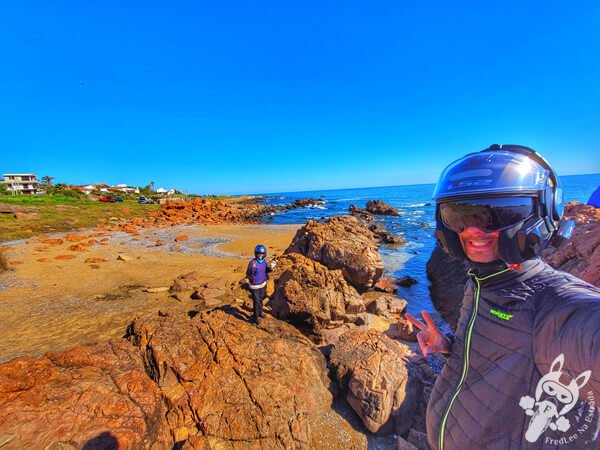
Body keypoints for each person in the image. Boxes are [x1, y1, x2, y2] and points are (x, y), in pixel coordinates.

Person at [406, 144, 600, 449]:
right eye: (458, 215)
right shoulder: (484, 281)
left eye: (498, 215)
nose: (472, 230)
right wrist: (449, 348)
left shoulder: (554, 305)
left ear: (541, 213)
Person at [246, 244, 275, 324]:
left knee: (261, 299)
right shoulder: (253, 263)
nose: (260, 255)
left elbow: (265, 271)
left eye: (262, 254)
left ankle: (261, 312)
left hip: (262, 284)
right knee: (256, 301)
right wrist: (252, 280)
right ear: (256, 253)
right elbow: (248, 273)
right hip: (254, 285)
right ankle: (256, 317)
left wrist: (270, 268)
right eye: (259, 253)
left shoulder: (264, 262)